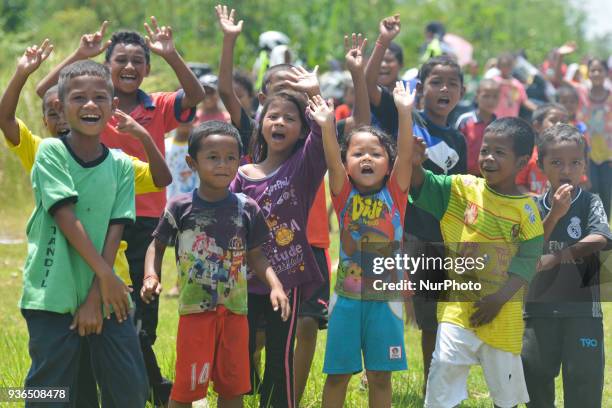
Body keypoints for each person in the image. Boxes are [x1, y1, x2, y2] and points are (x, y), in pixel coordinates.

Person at [35, 20, 205, 405]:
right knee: (86, 311)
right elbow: (47, 92)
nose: (129, 67)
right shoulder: (91, 102)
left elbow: (194, 94)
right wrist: (80, 56)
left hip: (145, 220)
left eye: (138, 61)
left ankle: (146, 385)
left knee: (140, 314)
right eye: (120, 60)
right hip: (89, 218)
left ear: (147, 68)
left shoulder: (156, 104)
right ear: (107, 65)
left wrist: (170, 53)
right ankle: (137, 387)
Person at [0, 43, 172, 407]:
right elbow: (65, 216)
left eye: (100, 98)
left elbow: (117, 225)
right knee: (49, 393)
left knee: (130, 391)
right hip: (54, 293)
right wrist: (106, 279)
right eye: (79, 98)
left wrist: (100, 290)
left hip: (109, 295)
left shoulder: (122, 164)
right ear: (59, 109)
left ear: (113, 108)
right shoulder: (49, 152)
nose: (91, 105)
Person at [215, 6, 370, 406]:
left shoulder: (303, 167)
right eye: (273, 116)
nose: (279, 123)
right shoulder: (243, 171)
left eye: (290, 118)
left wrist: (317, 95)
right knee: (239, 354)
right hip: (242, 276)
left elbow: (324, 142)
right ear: (261, 121)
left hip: (288, 277)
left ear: (301, 128)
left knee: (281, 359)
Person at [142, 120, 290, 408]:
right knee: (187, 390)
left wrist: (275, 285)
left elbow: (257, 254)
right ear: (192, 162)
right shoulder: (180, 207)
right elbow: (156, 245)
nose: (222, 164)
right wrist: (151, 275)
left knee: (233, 388)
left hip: (236, 313)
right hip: (195, 312)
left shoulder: (247, 208)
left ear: (240, 160)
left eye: (230, 158)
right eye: (212, 157)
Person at [410, 117, 544, 407]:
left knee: (505, 396)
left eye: (499, 152)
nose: (489, 158)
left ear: (521, 163)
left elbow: (528, 260)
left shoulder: (527, 210)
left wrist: (498, 300)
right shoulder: (463, 190)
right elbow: (425, 184)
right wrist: (413, 164)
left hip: (503, 318)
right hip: (457, 311)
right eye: (485, 150)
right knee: (443, 372)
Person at [317, 81, 415, 408]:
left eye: (376, 153)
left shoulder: (396, 194)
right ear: (347, 164)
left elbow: (406, 154)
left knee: (380, 376)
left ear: (389, 163)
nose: (367, 158)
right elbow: (331, 160)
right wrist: (327, 126)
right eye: (358, 154)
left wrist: (404, 111)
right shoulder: (343, 193)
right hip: (346, 301)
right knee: (338, 376)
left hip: (386, 303)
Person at [522, 123, 610, 408]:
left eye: (574, 163)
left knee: (584, 385)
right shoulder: (531, 207)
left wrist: (557, 258)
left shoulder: (590, 202)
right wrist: (556, 213)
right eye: (557, 162)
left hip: (583, 311)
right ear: (540, 165)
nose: (566, 170)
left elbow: (599, 238)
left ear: (583, 165)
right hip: (538, 311)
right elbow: (527, 248)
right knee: (535, 381)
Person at [579, 58, 612, 217]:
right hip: (588, 154)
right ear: (588, 73)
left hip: (608, 155)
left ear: (606, 73)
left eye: (600, 70)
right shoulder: (581, 95)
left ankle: (605, 234)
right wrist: (559, 56)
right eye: (593, 70)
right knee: (592, 191)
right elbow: (557, 80)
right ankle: (591, 229)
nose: (597, 73)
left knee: (607, 192)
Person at [515, 103, 568, 195]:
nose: (559, 125)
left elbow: (580, 184)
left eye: (564, 122)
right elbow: (518, 185)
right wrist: (538, 200)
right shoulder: (528, 157)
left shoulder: (570, 157)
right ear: (537, 126)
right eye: (553, 120)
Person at [455, 78, 500, 176]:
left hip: (490, 177)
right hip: (464, 176)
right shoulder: (465, 121)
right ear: (477, 97)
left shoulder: (500, 124)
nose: (490, 101)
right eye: (486, 96)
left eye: (495, 97)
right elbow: (454, 148)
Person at [493, 52, 537, 118]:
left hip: (512, 119)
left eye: (508, 65)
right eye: (503, 65)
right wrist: (509, 83)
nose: (506, 68)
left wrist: (538, 109)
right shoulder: (494, 81)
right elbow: (496, 83)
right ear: (499, 66)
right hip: (496, 119)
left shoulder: (517, 84)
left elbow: (524, 101)